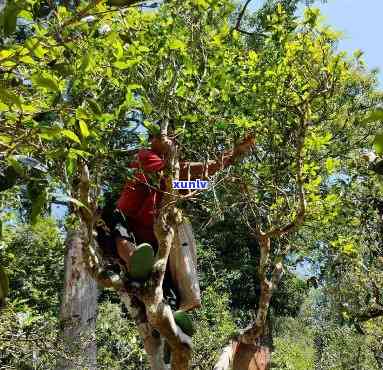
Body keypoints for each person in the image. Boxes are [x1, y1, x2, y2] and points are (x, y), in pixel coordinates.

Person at [99, 131, 255, 311]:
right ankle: (135, 261)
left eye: (175, 139)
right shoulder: (145, 156)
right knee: (121, 234)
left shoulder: (171, 184)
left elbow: (197, 183)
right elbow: (182, 171)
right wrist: (224, 158)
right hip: (127, 223)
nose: (173, 142)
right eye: (168, 137)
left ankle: (175, 306)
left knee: (177, 227)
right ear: (153, 140)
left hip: (152, 238)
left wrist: (230, 166)